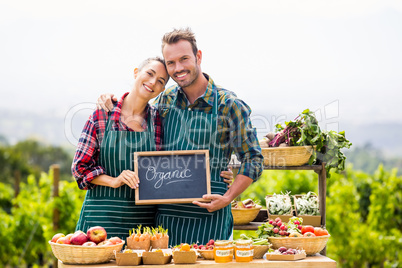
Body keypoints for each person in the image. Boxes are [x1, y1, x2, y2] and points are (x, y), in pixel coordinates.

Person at [97, 28, 263, 245]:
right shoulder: (164, 101)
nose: (178, 68)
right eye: (171, 63)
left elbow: (254, 159)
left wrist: (229, 196)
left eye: (184, 59)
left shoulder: (229, 105)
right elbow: (134, 112)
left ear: (198, 57)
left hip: (210, 219)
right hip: (165, 220)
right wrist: (111, 98)